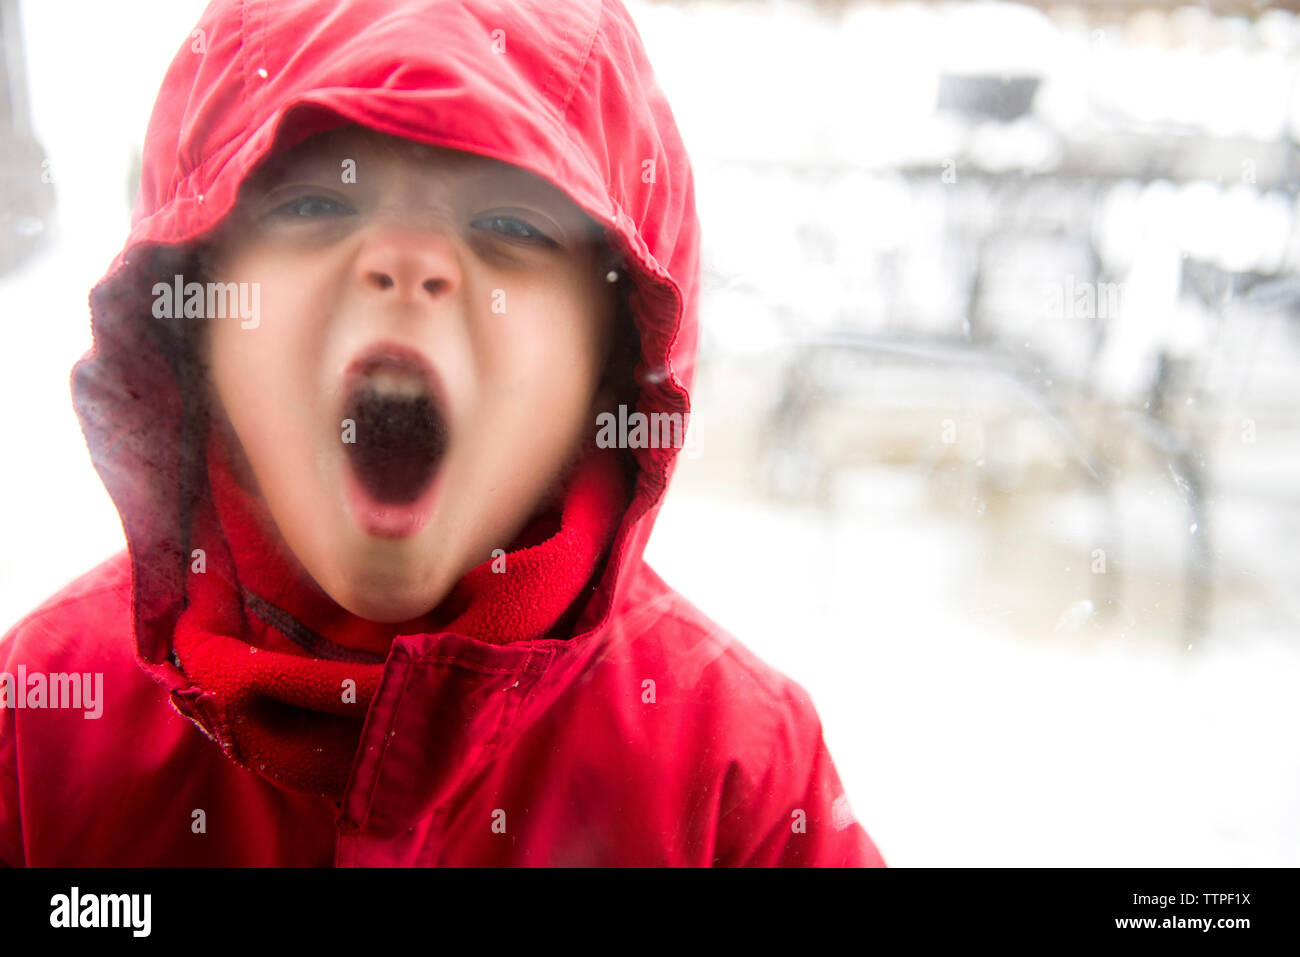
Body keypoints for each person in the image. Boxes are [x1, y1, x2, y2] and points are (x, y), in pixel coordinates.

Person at [0, 0, 886, 867]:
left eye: (509, 226)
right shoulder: (42, 720)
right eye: (313, 205)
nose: (406, 263)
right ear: (196, 316)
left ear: (609, 359)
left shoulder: (737, 777)